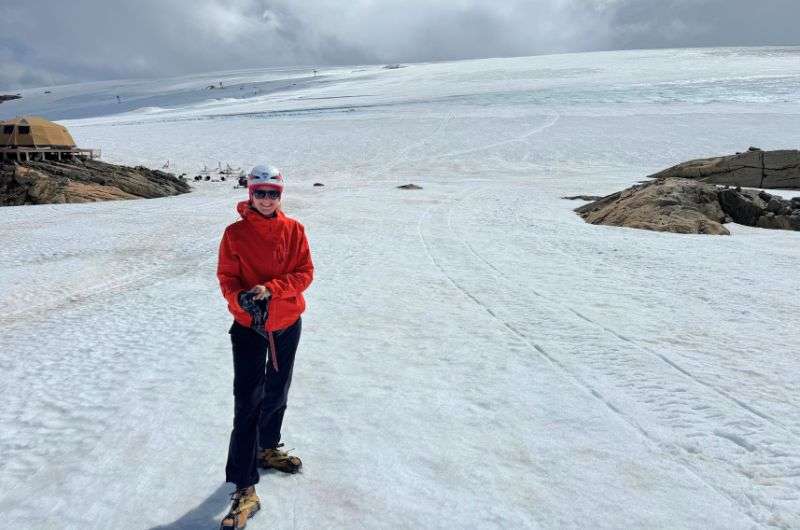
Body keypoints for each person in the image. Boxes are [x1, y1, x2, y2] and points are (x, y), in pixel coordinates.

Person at [216, 165, 314, 529]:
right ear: (250, 194)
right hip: (249, 328)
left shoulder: (294, 230)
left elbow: (305, 272)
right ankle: (244, 488)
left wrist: (272, 288)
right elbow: (226, 277)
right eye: (261, 193)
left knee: (278, 391)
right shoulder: (235, 234)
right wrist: (242, 299)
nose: (267, 199)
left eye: (274, 193)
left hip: (287, 322)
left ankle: (266, 447)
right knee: (248, 404)